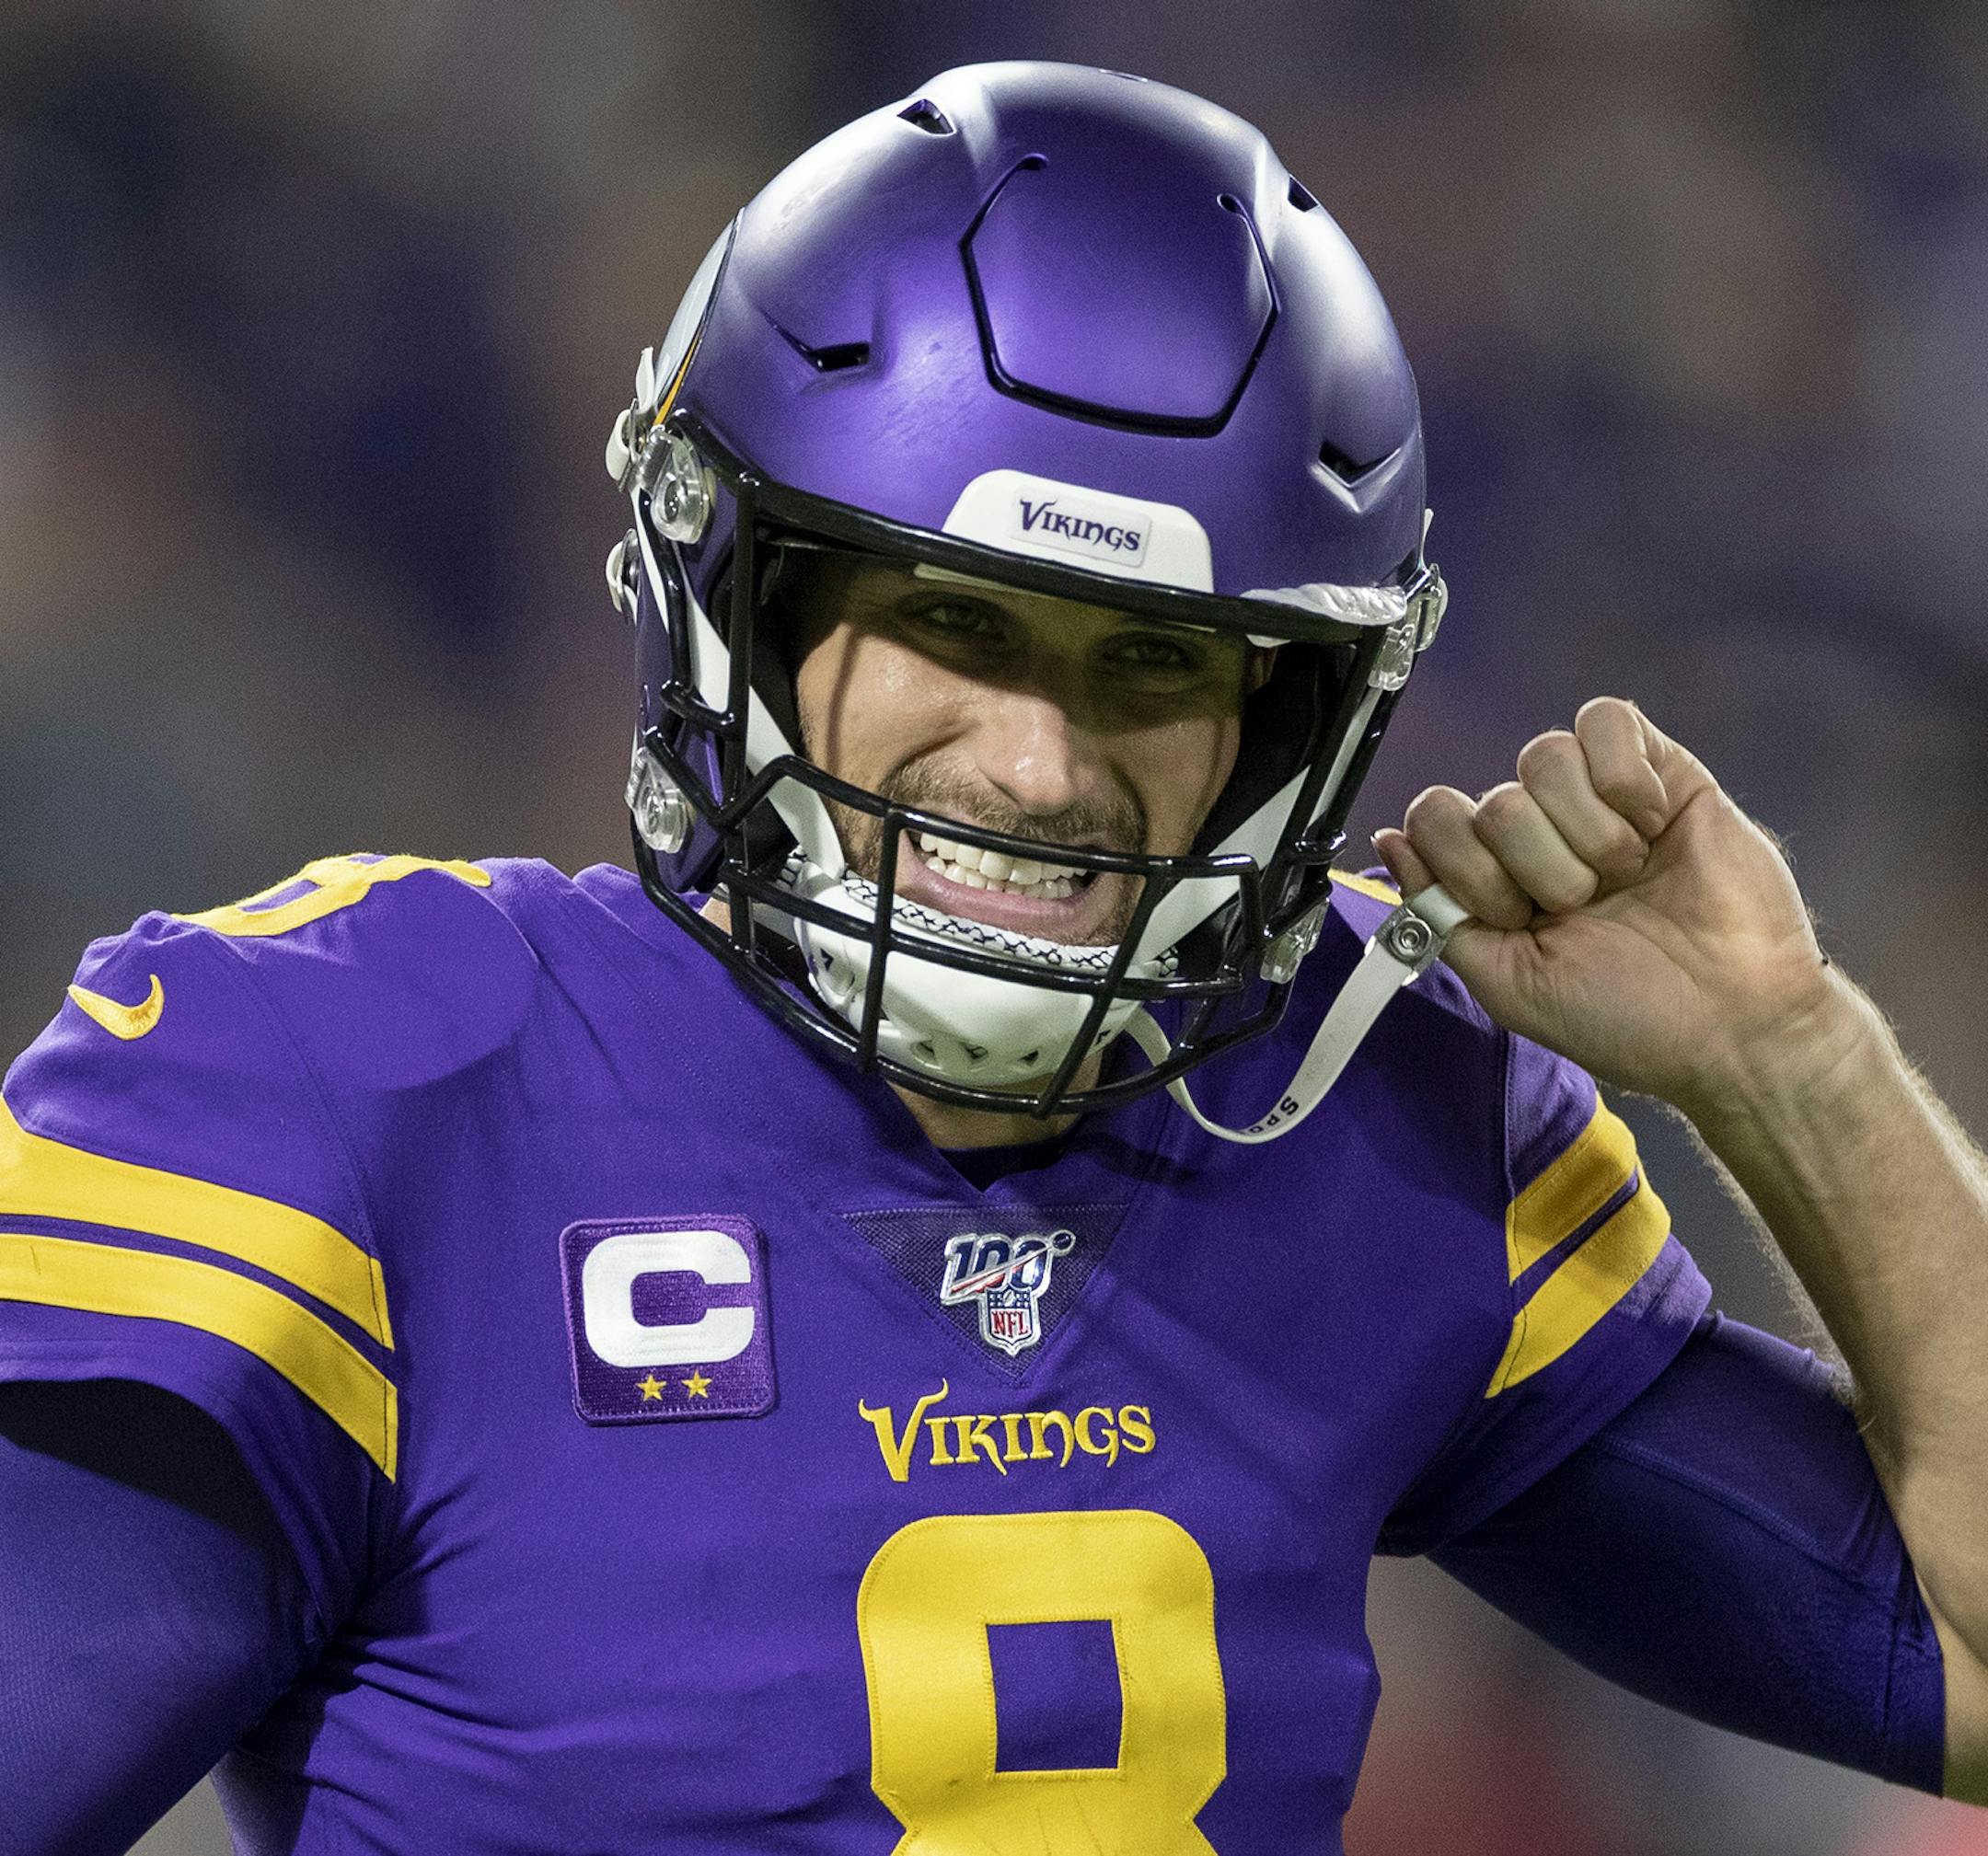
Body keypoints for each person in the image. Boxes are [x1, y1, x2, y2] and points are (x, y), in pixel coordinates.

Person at [2, 58, 1984, 1855]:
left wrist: (1792, 1056)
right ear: (739, 596)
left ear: (1294, 723)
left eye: (1157, 663)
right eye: (956, 622)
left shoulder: (1367, 1109)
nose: (1039, 768)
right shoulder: (361, 1093)